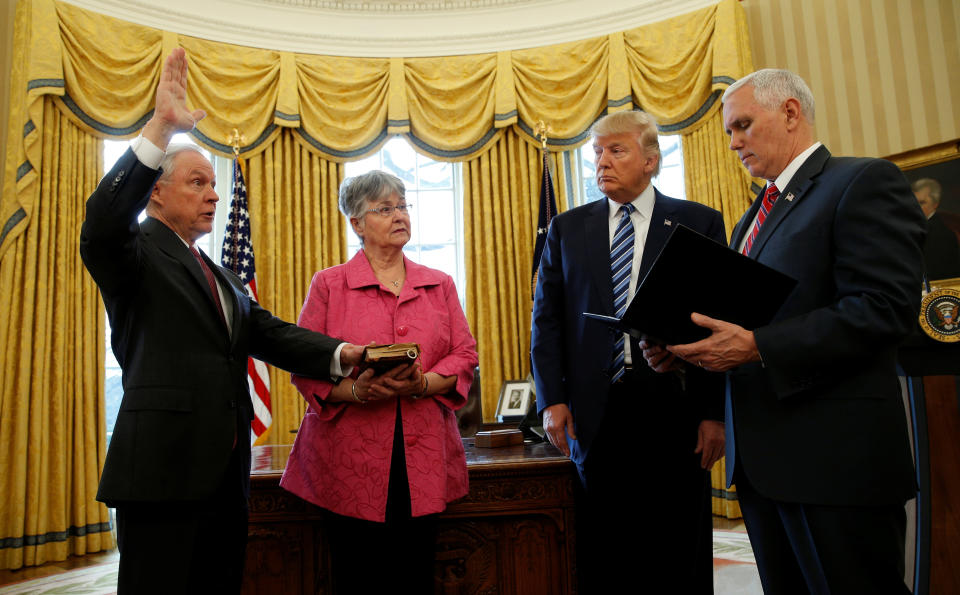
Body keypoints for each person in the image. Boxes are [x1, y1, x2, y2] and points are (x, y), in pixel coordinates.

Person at [79, 48, 365, 594]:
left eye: (214, 184)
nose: (213, 194)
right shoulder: (135, 251)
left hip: (225, 476)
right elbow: (100, 223)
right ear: (155, 192)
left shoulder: (220, 273)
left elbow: (268, 333)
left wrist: (342, 353)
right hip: (163, 473)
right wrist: (161, 126)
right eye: (196, 183)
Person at [661, 69, 925, 594]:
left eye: (742, 125)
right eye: (728, 131)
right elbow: (744, 321)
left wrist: (758, 346)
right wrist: (685, 349)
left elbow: (885, 307)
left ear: (789, 112)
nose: (733, 142)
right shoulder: (751, 217)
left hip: (836, 465)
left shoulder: (861, 180)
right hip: (763, 464)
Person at [531, 110, 726, 592]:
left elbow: (718, 321)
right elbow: (547, 320)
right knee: (604, 550)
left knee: (680, 548)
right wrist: (551, 400)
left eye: (616, 150)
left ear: (651, 161)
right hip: (595, 413)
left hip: (674, 407)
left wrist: (713, 413)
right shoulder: (567, 229)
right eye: (596, 151)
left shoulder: (698, 221)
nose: (602, 161)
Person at [280, 170, 478, 594]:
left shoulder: (438, 283)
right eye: (385, 209)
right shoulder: (329, 284)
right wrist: (357, 390)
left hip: (423, 455)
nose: (399, 215)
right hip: (348, 460)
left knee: (415, 574)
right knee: (358, 576)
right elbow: (304, 364)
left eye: (403, 206)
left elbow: (465, 355)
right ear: (356, 223)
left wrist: (422, 384)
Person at [913, 177, 960, 280]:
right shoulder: (914, 227)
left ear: (935, 204)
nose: (915, 207)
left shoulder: (942, 233)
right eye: (914, 203)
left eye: (921, 203)